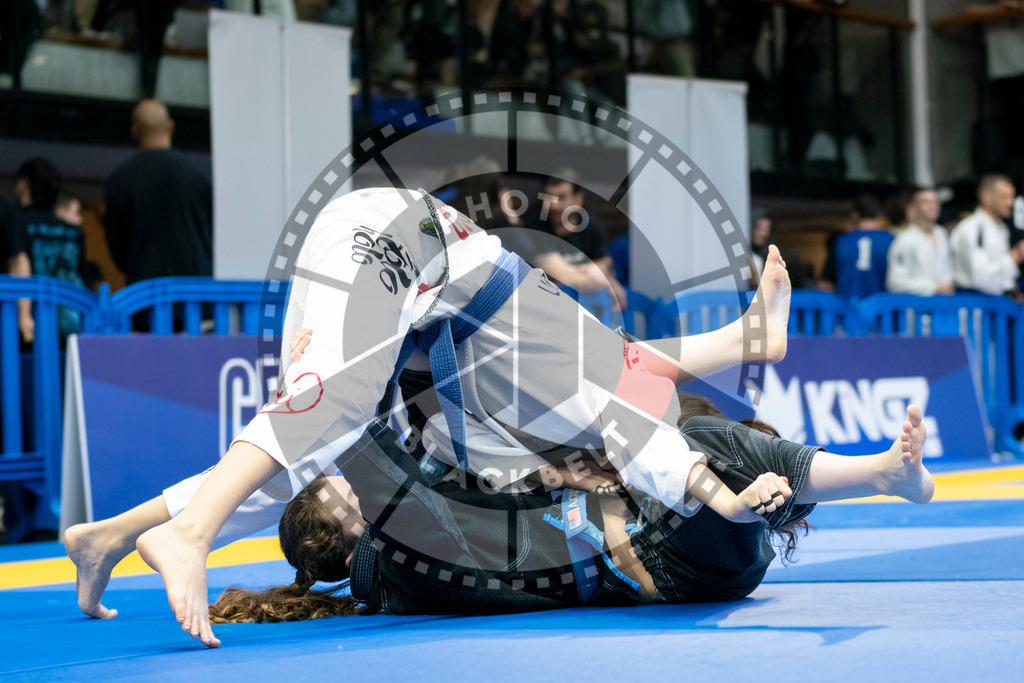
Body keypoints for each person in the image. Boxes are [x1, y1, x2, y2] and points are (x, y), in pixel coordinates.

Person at [75, 186, 791, 647]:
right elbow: (633, 380)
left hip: (393, 254)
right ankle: (188, 533)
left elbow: (631, 377)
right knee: (329, 410)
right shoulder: (543, 408)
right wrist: (718, 478)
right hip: (392, 238)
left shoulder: (491, 430)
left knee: (314, 439)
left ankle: (111, 534)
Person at [66, 385, 934, 625]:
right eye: (343, 494)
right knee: (697, 446)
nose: (353, 484)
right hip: (675, 561)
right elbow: (357, 449)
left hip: (682, 550)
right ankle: (753, 504)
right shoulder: (401, 554)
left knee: (687, 433)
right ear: (348, 531)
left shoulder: (397, 548)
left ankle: (873, 474)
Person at [104, 99, 213, 288]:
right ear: (170, 126)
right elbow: (213, 230)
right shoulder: (199, 173)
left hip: (146, 292)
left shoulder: (119, 180)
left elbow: (117, 246)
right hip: (196, 291)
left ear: (135, 131)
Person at [521, 171, 626, 308]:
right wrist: (600, 278)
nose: (554, 206)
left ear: (578, 199)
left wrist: (603, 277)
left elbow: (604, 264)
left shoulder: (591, 226)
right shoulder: (534, 227)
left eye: (561, 198)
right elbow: (552, 271)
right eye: (549, 198)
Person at [9, 158, 86, 343]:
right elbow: (84, 274)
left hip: (27, 325)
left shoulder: (17, 222)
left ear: (23, 185)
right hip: (72, 322)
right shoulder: (73, 231)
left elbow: (16, 268)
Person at [949, 174, 1024, 297]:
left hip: (999, 300)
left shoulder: (1002, 228)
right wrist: (1015, 256)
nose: (1011, 203)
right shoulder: (974, 229)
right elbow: (981, 278)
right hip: (974, 300)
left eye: (1012, 197)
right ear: (986, 198)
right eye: (1004, 197)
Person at [820, 194, 894, 300]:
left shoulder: (841, 241)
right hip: (882, 307)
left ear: (854, 215)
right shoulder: (891, 240)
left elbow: (826, 285)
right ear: (878, 214)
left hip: (847, 307)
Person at [887, 187, 954, 296]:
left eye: (935, 202)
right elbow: (895, 283)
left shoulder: (941, 234)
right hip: (917, 302)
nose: (933, 206)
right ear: (913, 208)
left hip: (943, 301)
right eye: (926, 202)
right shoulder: (904, 239)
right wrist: (933, 287)